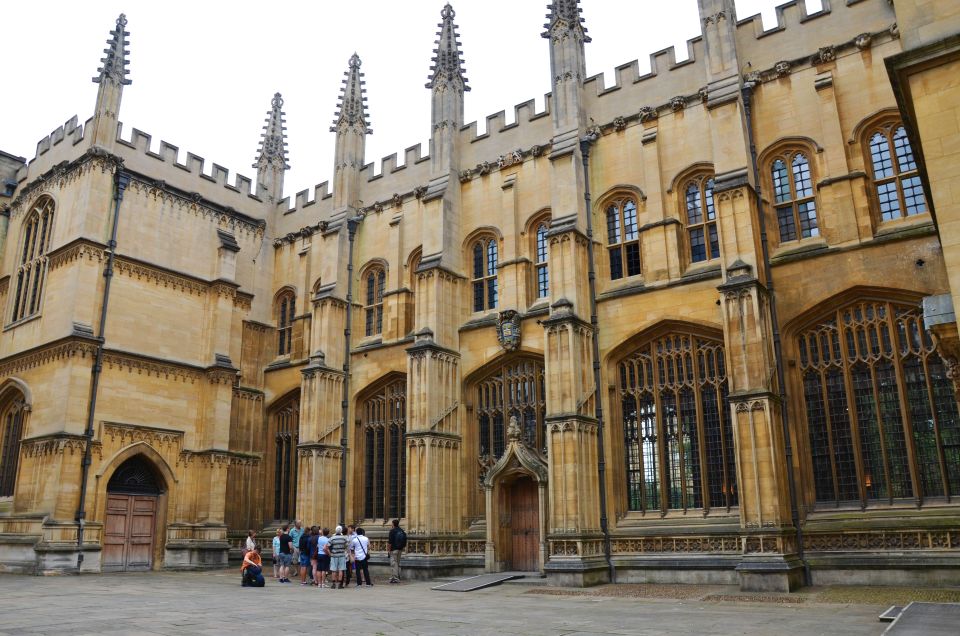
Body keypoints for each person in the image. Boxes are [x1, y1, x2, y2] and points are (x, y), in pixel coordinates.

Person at [387, 518, 406, 584]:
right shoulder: (401, 531)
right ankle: (395, 576)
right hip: (400, 549)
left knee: (393, 563)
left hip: (394, 549)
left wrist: (389, 550)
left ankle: (395, 578)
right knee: (397, 563)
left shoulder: (392, 531)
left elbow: (390, 542)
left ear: (393, 524)